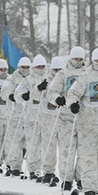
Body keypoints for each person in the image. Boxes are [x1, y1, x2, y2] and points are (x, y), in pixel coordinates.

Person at [64, 48, 98, 195]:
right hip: (88, 124)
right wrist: (73, 104)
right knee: (88, 157)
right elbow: (73, 93)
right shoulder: (85, 76)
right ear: (93, 61)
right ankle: (89, 189)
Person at [48, 46, 87, 192]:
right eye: (76, 58)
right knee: (67, 151)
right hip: (66, 118)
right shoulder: (62, 74)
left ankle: (81, 178)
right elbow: (52, 92)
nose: (78, 61)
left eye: (81, 59)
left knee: (84, 151)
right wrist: (57, 99)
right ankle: (66, 179)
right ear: (70, 58)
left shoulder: (87, 73)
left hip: (84, 118)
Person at [10, 54, 49, 180]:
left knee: (46, 145)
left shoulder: (49, 78)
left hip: (46, 116)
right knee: (33, 144)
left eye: (43, 66)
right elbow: (17, 94)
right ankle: (33, 169)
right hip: (31, 117)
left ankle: (45, 170)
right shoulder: (27, 80)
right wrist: (24, 95)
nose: (41, 69)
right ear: (34, 67)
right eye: (39, 66)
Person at [1, 56, 33, 177]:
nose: (25, 69)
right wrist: (11, 96)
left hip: (30, 115)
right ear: (19, 67)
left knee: (29, 142)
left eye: (27, 67)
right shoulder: (11, 78)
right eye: (23, 67)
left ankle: (33, 168)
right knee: (15, 141)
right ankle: (14, 166)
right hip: (15, 114)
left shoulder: (32, 78)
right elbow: (3, 92)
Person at [36, 56, 65, 185]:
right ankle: (48, 172)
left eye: (60, 69)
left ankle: (66, 175)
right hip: (48, 116)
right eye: (55, 69)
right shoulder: (45, 80)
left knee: (65, 147)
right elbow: (34, 96)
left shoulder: (66, 79)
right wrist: (39, 88)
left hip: (64, 117)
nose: (57, 72)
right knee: (48, 146)